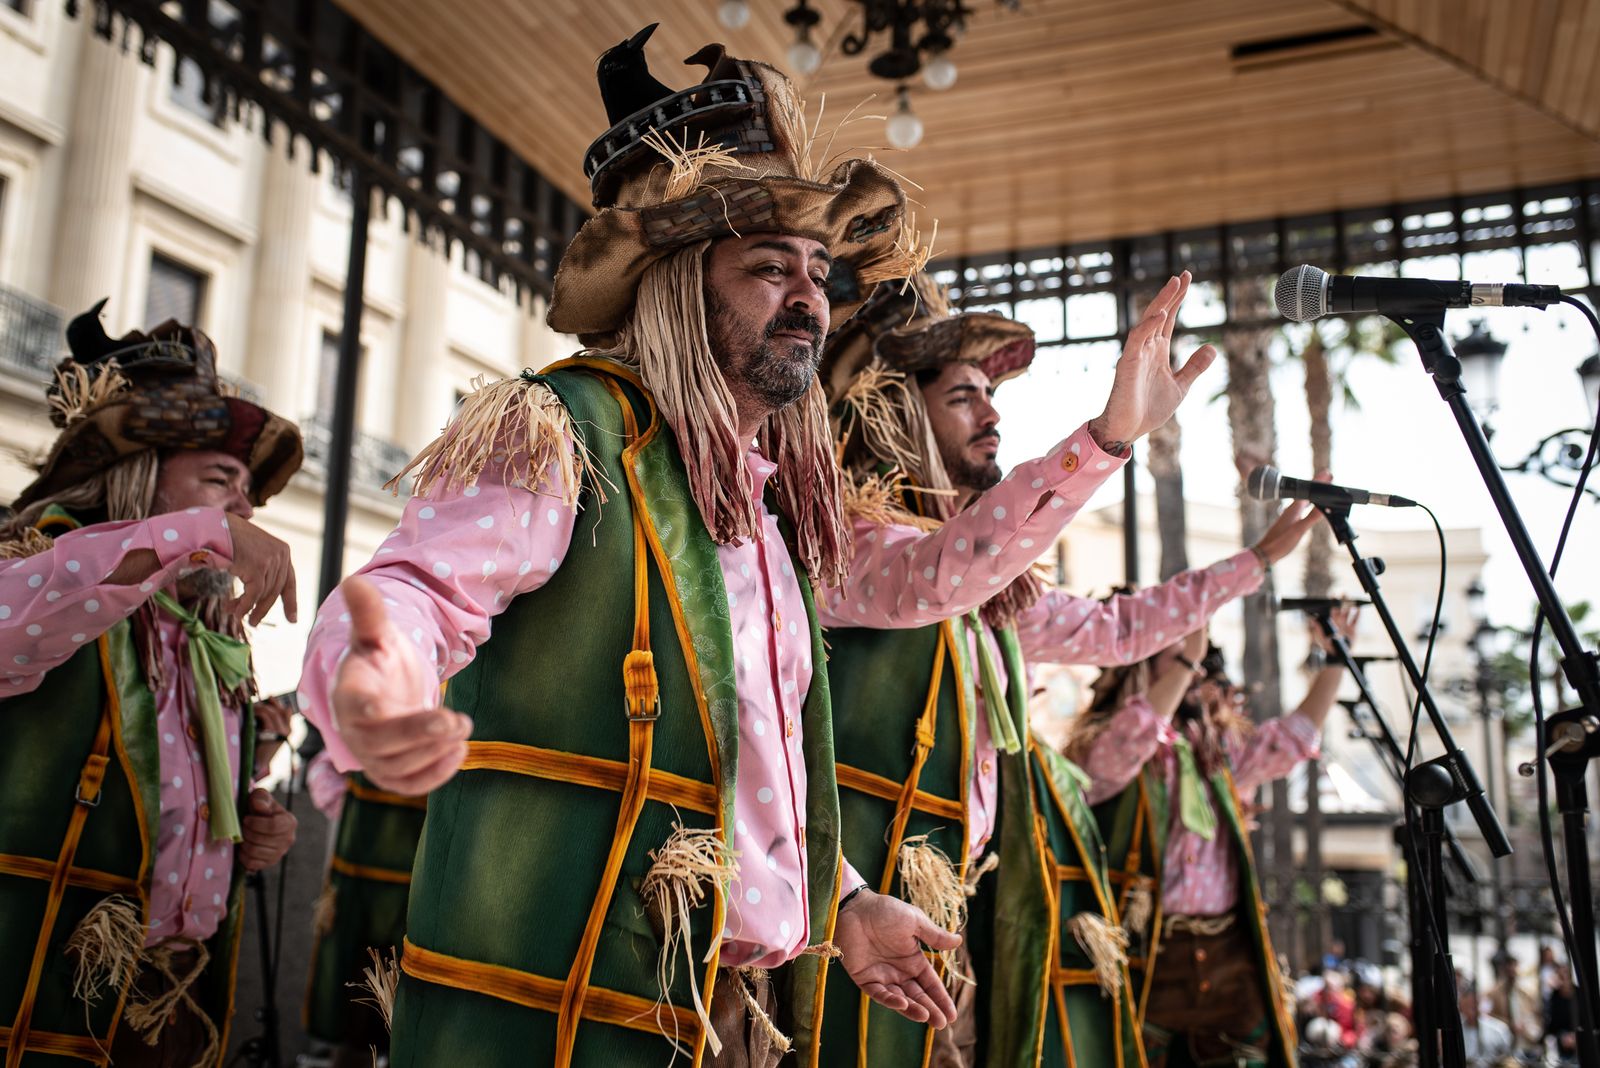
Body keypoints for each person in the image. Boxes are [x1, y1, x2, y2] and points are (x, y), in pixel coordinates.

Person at [296, 28, 1201, 1066]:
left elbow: (757, 761)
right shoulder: (568, 433)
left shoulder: (774, 510)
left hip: (729, 1007)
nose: (810, 298)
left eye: (818, 271)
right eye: (770, 268)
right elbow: (414, 590)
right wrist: (374, 683)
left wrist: (843, 904)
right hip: (580, 1007)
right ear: (679, 282)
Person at [812, 271, 1322, 1067]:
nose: (992, 414)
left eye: (991, 395)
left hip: (954, 907)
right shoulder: (849, 545)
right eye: (963, 398)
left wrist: (1252, 564)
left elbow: (1116, 630)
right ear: (897, 413)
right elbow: (940, 574)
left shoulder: (991, 589)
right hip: (853, 910)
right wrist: (1108, 438)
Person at [0, 303, 302, 1066]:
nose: (244, 508)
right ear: (139, 478)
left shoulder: (208, 630)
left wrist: (244, 828)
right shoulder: (41, 561)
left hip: (173, 1001)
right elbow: (26, 617)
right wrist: (195, 535)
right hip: (41, 988)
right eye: (220, 480)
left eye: (247, 493)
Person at [1071, 605, 1359, 1068]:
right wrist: (1186, 660)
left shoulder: (1218, 754)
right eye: (1181, 653)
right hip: (1144, 955)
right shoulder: (1112, 745)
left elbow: (1291, 739)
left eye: (1199, 656)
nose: (1197, 665)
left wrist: (1335, 662)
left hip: (1228, 953)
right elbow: (1125, 745)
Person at [1460, 978, 1515, 1066]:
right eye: (1467, 1005)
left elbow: (1508, 1058)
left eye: (1473, 1004)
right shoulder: (1457, 1032)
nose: (1471, 1009)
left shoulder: (1498, 1029)